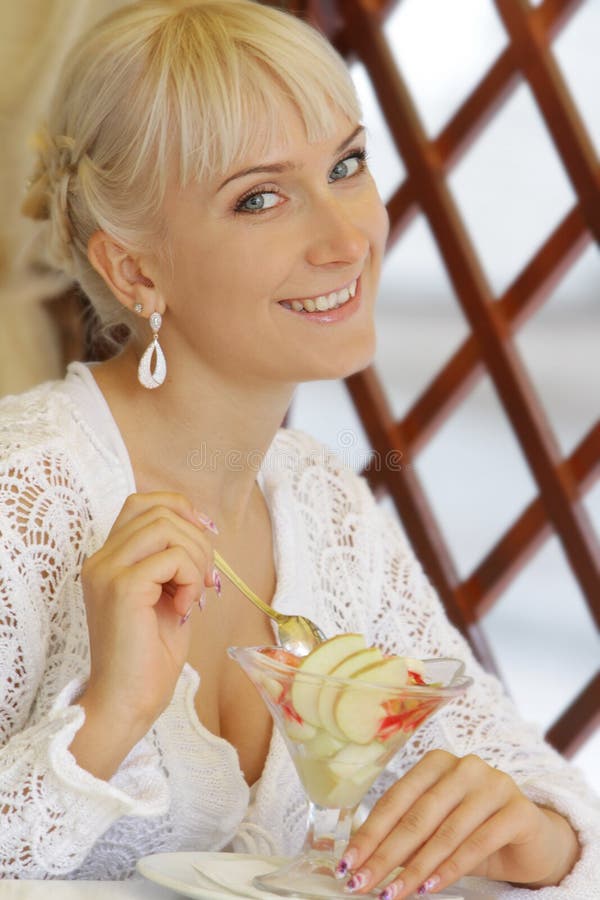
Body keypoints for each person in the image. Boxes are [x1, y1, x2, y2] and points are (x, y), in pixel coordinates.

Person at [0, 0, 597, 894]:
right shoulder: (23, 497)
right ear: (135, 270)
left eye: (347, 165)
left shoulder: (322, 505)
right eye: (261, 197)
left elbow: (537, 784)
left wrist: (529, 832)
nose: (348, 238)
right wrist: (110, 712)